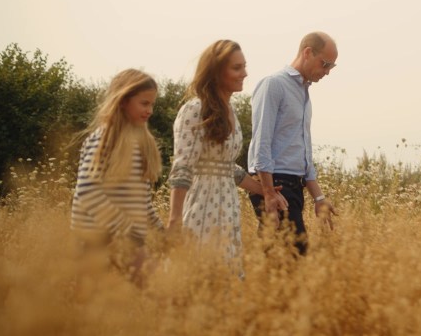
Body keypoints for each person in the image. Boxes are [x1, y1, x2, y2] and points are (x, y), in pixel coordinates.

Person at [167, 40, 286, 266]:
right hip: (202, 204)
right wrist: (174, 219)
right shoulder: (194, 109)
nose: (245, 73)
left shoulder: (229, 110)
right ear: (216, 71)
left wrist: (265, 191)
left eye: (244, 66)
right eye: (237, 68)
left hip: (228, 206)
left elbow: (227, 168)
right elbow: (182, 166)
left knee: (227, 280)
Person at [248, 31, 339, 256]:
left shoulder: (304, 94)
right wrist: (268, 192)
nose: (327, 72)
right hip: (276, 184)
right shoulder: (274, 85)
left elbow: (303, 152)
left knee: (278, 258)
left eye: (332, 67)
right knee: (295, 255)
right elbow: (262, 141)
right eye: (325, 64)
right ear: (307, 52)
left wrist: (318, 197)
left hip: (293, 185)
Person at [71, 69, 164, 283]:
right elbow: (87, 191)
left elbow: (142, 203)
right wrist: (126, 231)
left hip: (126, 238)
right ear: (122, 101)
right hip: (94, 239)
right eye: (144, 103)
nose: (150, 110)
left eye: (152, 104)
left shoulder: (140, 143)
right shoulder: (104, 138)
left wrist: (160, 231)